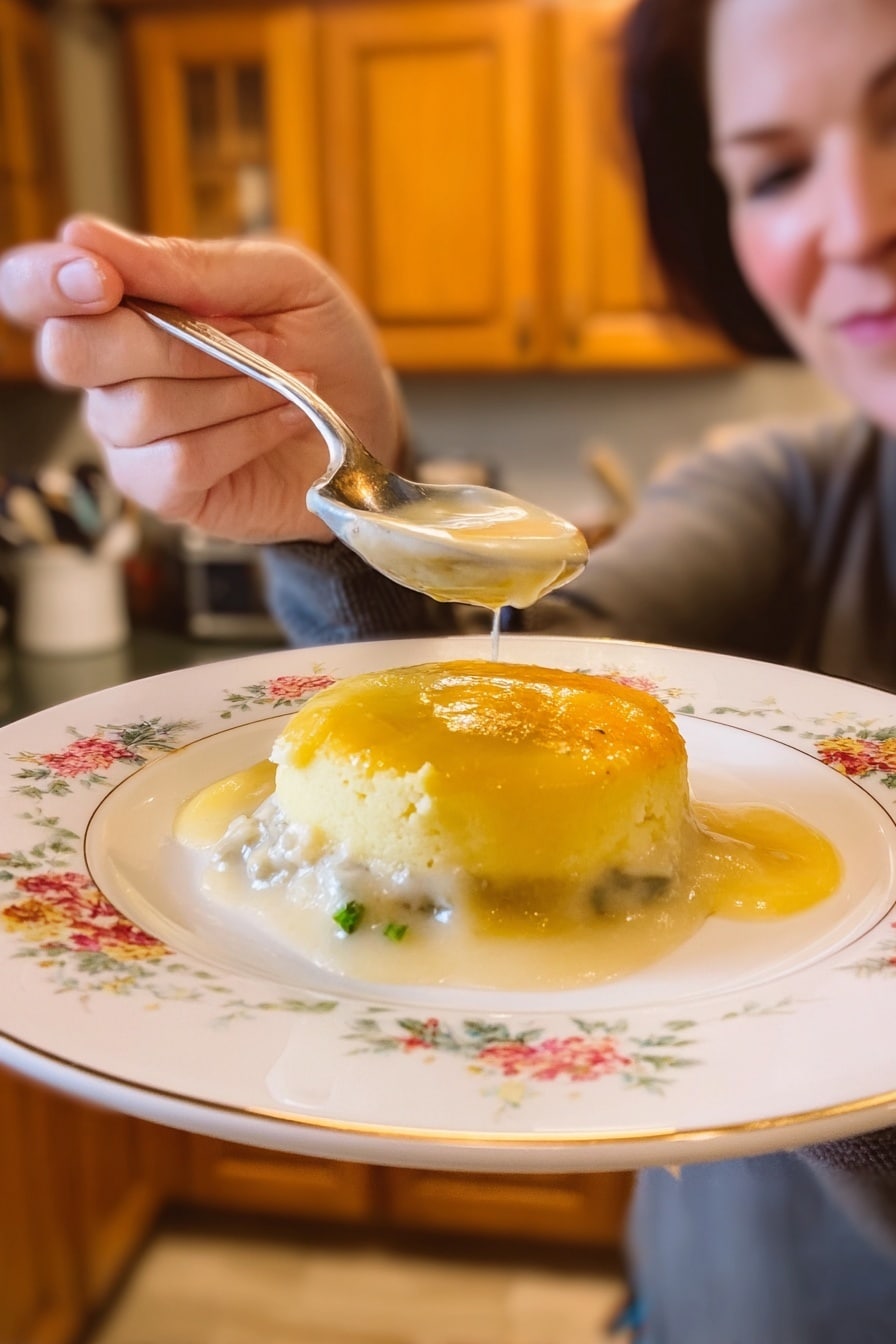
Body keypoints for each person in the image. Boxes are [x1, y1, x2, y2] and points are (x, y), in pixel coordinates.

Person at [2, 0, 896, 1336]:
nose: (856, 218)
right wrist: (346, 496)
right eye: (772, 169)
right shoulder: (787, 490)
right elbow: (528, 678)